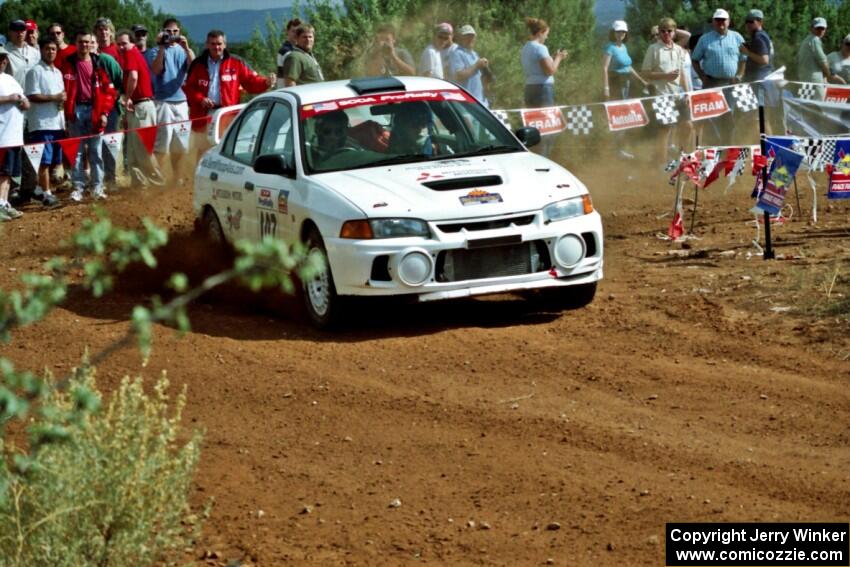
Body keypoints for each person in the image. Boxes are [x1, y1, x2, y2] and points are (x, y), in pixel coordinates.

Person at [184, 30, 274, 155]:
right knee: (202, 150)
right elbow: (189, 88)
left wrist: (266, 83)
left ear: (225, 44)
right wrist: (201, 99)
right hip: (203, 114)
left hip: (227, 114)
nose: (217, 47)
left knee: (225, 149)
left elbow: (251, 82)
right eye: (213, 44)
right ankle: (199, 173)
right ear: (207, 45)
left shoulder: (236, 62)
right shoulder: (197, 64)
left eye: (219, 44)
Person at [61, 31, 119, 202]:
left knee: (95, 151)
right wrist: (65, 111)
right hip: (75, 110)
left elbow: (109, 92)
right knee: (77, 153)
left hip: (95, 110)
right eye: (81, 42)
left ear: (91, 43)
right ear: (76, 43)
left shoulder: (98, 63)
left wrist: (104, 113)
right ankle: (78, 188)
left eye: (87, 42)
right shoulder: (68, 63)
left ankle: (97, 188)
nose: (84, 45)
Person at [146, 18, 195, 184]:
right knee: (162, 144)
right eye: (168, 32)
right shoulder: (155, 50)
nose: (172, 35)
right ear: (163, 32)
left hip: (181, 101)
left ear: (180, 32)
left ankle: (178, 178)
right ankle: (157, 180)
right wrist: (161, 47)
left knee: (180, 144)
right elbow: (156, 69)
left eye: (175, 32)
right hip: (163, 101)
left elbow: (194, 67)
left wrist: (187, 47)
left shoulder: (183, 50)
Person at [116, 30, 163, 189]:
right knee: (133, 151)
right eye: (119, 44)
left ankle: (159, 185)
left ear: (132, 43)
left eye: (124, 43)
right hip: (138, 106)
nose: (122, 46)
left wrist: (127, 97)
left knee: (143, 150)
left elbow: (134, 77)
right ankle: (139, 188)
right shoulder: (133, 54)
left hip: (142, 105)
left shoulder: (130, 53)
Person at [643, 17, 692, 164]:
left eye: (669, 31)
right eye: (662, 31)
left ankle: (681, 157)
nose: (666, 33)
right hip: (661, 96)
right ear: (659, 32)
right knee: (665, 130)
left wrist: (688, 93)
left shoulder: (678, 50)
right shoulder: (653, 49)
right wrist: (665, 75)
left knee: (688, 126)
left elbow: (682, 73)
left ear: (674, 32)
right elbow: (645, 72)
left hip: (678, 95)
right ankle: (662, 163)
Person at [691, 9, 745, 144]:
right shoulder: (704, 39)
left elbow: (744, 58)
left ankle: (728, 148)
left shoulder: (737, 37)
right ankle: (706, 148)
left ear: (729, 21)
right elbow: (695, 59)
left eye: (723, 20)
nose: (721, 22)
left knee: (730, 118)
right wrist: (703, 77)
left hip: (731, 84)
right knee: (708, 118)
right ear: (713, 22)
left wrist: (739, 75)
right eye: (717, 20)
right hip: (711, 84)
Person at [24, 37, 66, 208]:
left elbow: (61, 96)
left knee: (54, 159)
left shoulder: (58, 72)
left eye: (54, 49)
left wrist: (61, 100)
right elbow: (32, 96)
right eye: (48, 48)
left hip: (57, 122)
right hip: (41, 123)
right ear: (41, 50)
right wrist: (54, 97)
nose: (51, 52)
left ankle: (41, 191)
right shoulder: (35, 71)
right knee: (44, 161)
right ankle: (47, 195)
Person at [520, 17, 567, 157]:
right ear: (540, 32)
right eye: (547, 33)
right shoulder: (541, 48)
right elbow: (550, 70)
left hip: (530, 88)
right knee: (547, 129)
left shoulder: (526, 47)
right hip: (543, 90)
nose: (547, 36)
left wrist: (551, 57)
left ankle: (535, 159)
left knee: (535, 127)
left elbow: (538, 66)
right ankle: (545, 160)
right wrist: (559, 57)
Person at [0, 46, 30, 221]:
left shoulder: (10, 79)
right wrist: (10, 99)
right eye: (0, 58)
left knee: (8, 172)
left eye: (4, 58)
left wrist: (24, 102)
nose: (3, 61)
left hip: (14, 135)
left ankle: (3, 202)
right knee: (3, 172)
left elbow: (24, 99)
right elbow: (12, 97)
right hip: (2, 135)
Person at [449, 25, 489, 107]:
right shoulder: (457, 53)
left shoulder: (475, 54)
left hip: (480, 101)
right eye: (466, 36)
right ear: (460, 38)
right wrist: (477, 65)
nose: (469, 39)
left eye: (471, 36)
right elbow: (459, 76)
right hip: (466, 102)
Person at [797, 18, 844, 85]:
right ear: (811, 28)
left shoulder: (806, 40)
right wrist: (829, 75)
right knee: (820, 96)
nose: (821, 31)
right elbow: (823, 62)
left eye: (823, 28)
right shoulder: (815, 40)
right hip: (814, 81)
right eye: (818, 28)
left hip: (805, 78)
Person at [6, 20, 39, 87]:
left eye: (22, 30)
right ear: (10, 32)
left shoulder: (35, 52)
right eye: (16, 30)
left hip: (33, 95)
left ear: (26, 32)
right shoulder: (4, 52)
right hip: (14, 95)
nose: (19, 33)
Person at [275, 18, 301, 88]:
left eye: (297, 32)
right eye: (293, 31)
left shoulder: (297, 50)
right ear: (287, 32)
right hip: (288, 92)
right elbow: (290, 80)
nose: (295, 34)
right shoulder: (286, 52)